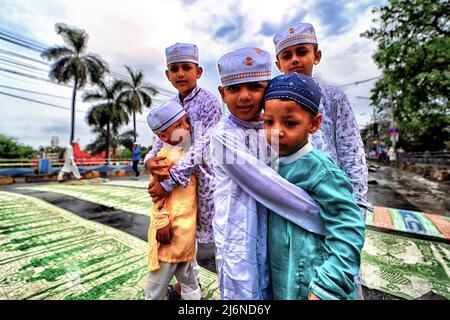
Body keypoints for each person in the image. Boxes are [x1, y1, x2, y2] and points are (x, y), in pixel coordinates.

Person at [211, 47, 325, 300]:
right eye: (234, 88)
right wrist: (325, 214)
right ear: (222, 93)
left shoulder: (273, 125)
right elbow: (267, 185)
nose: (244, 97)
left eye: (254, 86)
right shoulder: (223, 136)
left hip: (273, 228)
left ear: (268, 87)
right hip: (238, 231)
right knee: (244, 292)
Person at [272, 22, 372, 299]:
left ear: (316, 56)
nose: (294, 60)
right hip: (291, 203)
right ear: (278, 63)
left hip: (331, 197)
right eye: (286, 55)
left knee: (340, 270)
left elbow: (352, 150)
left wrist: (357, 202)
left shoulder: (333, 96)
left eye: (301, 52)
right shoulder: (274, 100)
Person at [144, 43, 222, 298]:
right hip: (180, 186)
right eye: (174, 69)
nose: (180, 74)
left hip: (207, 182)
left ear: (198, 71)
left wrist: (168, 181)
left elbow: (203, 145)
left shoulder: (209, 101)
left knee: (220, 240)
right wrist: (148, 162)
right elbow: (161, 141)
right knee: (184, 236)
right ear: (167, 74)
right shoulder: (169, 105)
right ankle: (190, 287)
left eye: (186, 68)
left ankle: (231, 293)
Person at [144, 100, 201, 300]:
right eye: (178, 126)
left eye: (186, 121)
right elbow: (157, 197)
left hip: (182, 235)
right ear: (162, 136)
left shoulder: (186, 156)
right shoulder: (162, 160)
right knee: (179, 284)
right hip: (170, 233)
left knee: (164, 286)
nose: (186, 127)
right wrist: (161, 222)